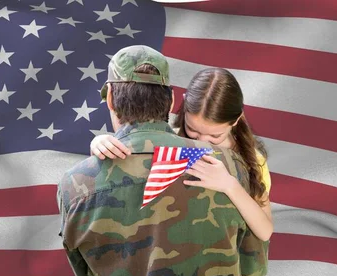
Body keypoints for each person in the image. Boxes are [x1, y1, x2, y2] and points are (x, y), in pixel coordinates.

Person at [57, 45, 268, 276]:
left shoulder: (75, 184)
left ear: (110, 98)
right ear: (170, 101)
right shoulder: (228, 166)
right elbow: (252, 272)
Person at [90, 67, 274, 242]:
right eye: (192, 130)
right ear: (184, 106)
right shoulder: (166, 138)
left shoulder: (252, 159)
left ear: (236, 120)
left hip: (220, 255)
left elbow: (265, 232)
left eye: (215, 135)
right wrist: (100, 143)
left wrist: (231, 185)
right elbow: (130, 165)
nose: (203, 140)